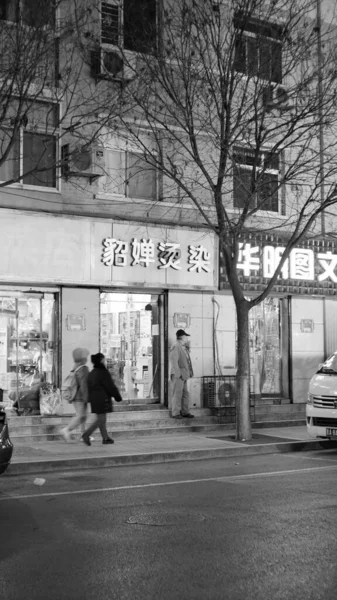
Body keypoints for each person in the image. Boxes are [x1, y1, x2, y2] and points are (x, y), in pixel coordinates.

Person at [82, 353, 123, 446]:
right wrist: (117, 397)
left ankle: (105, 438)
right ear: (101, 360)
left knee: (101, 419)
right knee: (100, 420)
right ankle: (86, 434)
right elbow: (110, 386)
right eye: (104, 359)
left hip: (94, 400)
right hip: (102, 399)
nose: (105, 361)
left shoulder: (92, 373)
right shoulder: (103, 372)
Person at [60, 347, 90, 442]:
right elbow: (84, 385)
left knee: (83, 415)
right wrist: (87, 398)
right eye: (86, 356)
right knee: (81, 416)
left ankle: (83, 434)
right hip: (80, 397)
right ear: (83, 358)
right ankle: (67, 430)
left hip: (76, 396)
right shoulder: (83, 369)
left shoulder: (76, 368)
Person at [170, 329, 194, 419]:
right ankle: (175, 413)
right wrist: (178, 374)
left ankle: (185, 411)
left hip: (183, 375)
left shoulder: (182, 346)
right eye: (186, 336)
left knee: (185, 394)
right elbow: (173, 361)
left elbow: (187, 361)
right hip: (178, 375)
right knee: (177, 393)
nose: (187, 338)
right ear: (182, 337)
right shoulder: (175, 346)